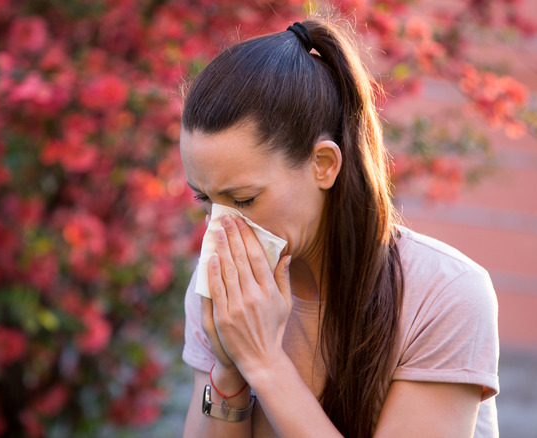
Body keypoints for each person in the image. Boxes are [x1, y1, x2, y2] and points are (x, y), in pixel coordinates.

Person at [179, 14, 499, 438]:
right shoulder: (229, 288)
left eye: (243, 200)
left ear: (323, 165)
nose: (220, 229)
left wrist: (262, 360)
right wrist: (228, 371)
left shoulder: (443, 293)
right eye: (206, 199)